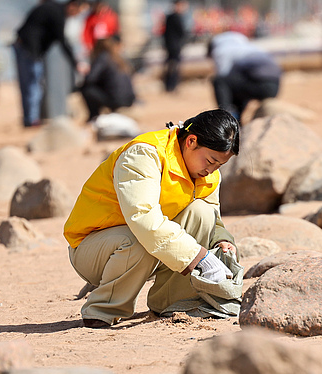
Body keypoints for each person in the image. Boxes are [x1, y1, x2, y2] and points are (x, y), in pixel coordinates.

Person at [63, 109, 240, 328]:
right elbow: (143, 218)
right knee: (138, 236)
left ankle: (171, 302)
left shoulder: (207, 172)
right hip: (93, 248)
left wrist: (222, 241)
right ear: (191, 141)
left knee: (202, 212)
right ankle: (102, 310)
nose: (211, 170)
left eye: (218, 166)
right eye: (210, 161)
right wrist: (199, 257)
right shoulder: (144, 154)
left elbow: (212, 214)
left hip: (149, 249)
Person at [13, 0, 79, 128]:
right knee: (33, 85)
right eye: (78, 11)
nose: (77, 15)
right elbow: (62, 40)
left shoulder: (53, 9)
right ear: (73, 6)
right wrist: (75, 63)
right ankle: (31, 120)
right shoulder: (57, 13)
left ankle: (31, 118)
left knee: (32, 86)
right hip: (28, 51)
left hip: (28, 49)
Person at [208, 31, 281, 121]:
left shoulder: (221, 50)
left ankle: (228, 117)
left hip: (260, 84)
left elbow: (222, 76)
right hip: (274, 87)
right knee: (236, 85)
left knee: (219, 81)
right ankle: (236, 118)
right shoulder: (248, 47)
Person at [81, 36, 135, 121]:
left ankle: (94, 116)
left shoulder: (103, 57)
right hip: (129, 100)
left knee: (86, 89)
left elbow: (90, 79)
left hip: (116, 101)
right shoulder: (118, 58)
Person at [163, 0, 189, 92]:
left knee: (170, 65)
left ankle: (169, 85)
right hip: (175, 46)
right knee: (174, 66)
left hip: (170, 45)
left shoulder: (169, 17)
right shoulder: (176, 17)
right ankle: (172, 86)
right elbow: (182, 32)